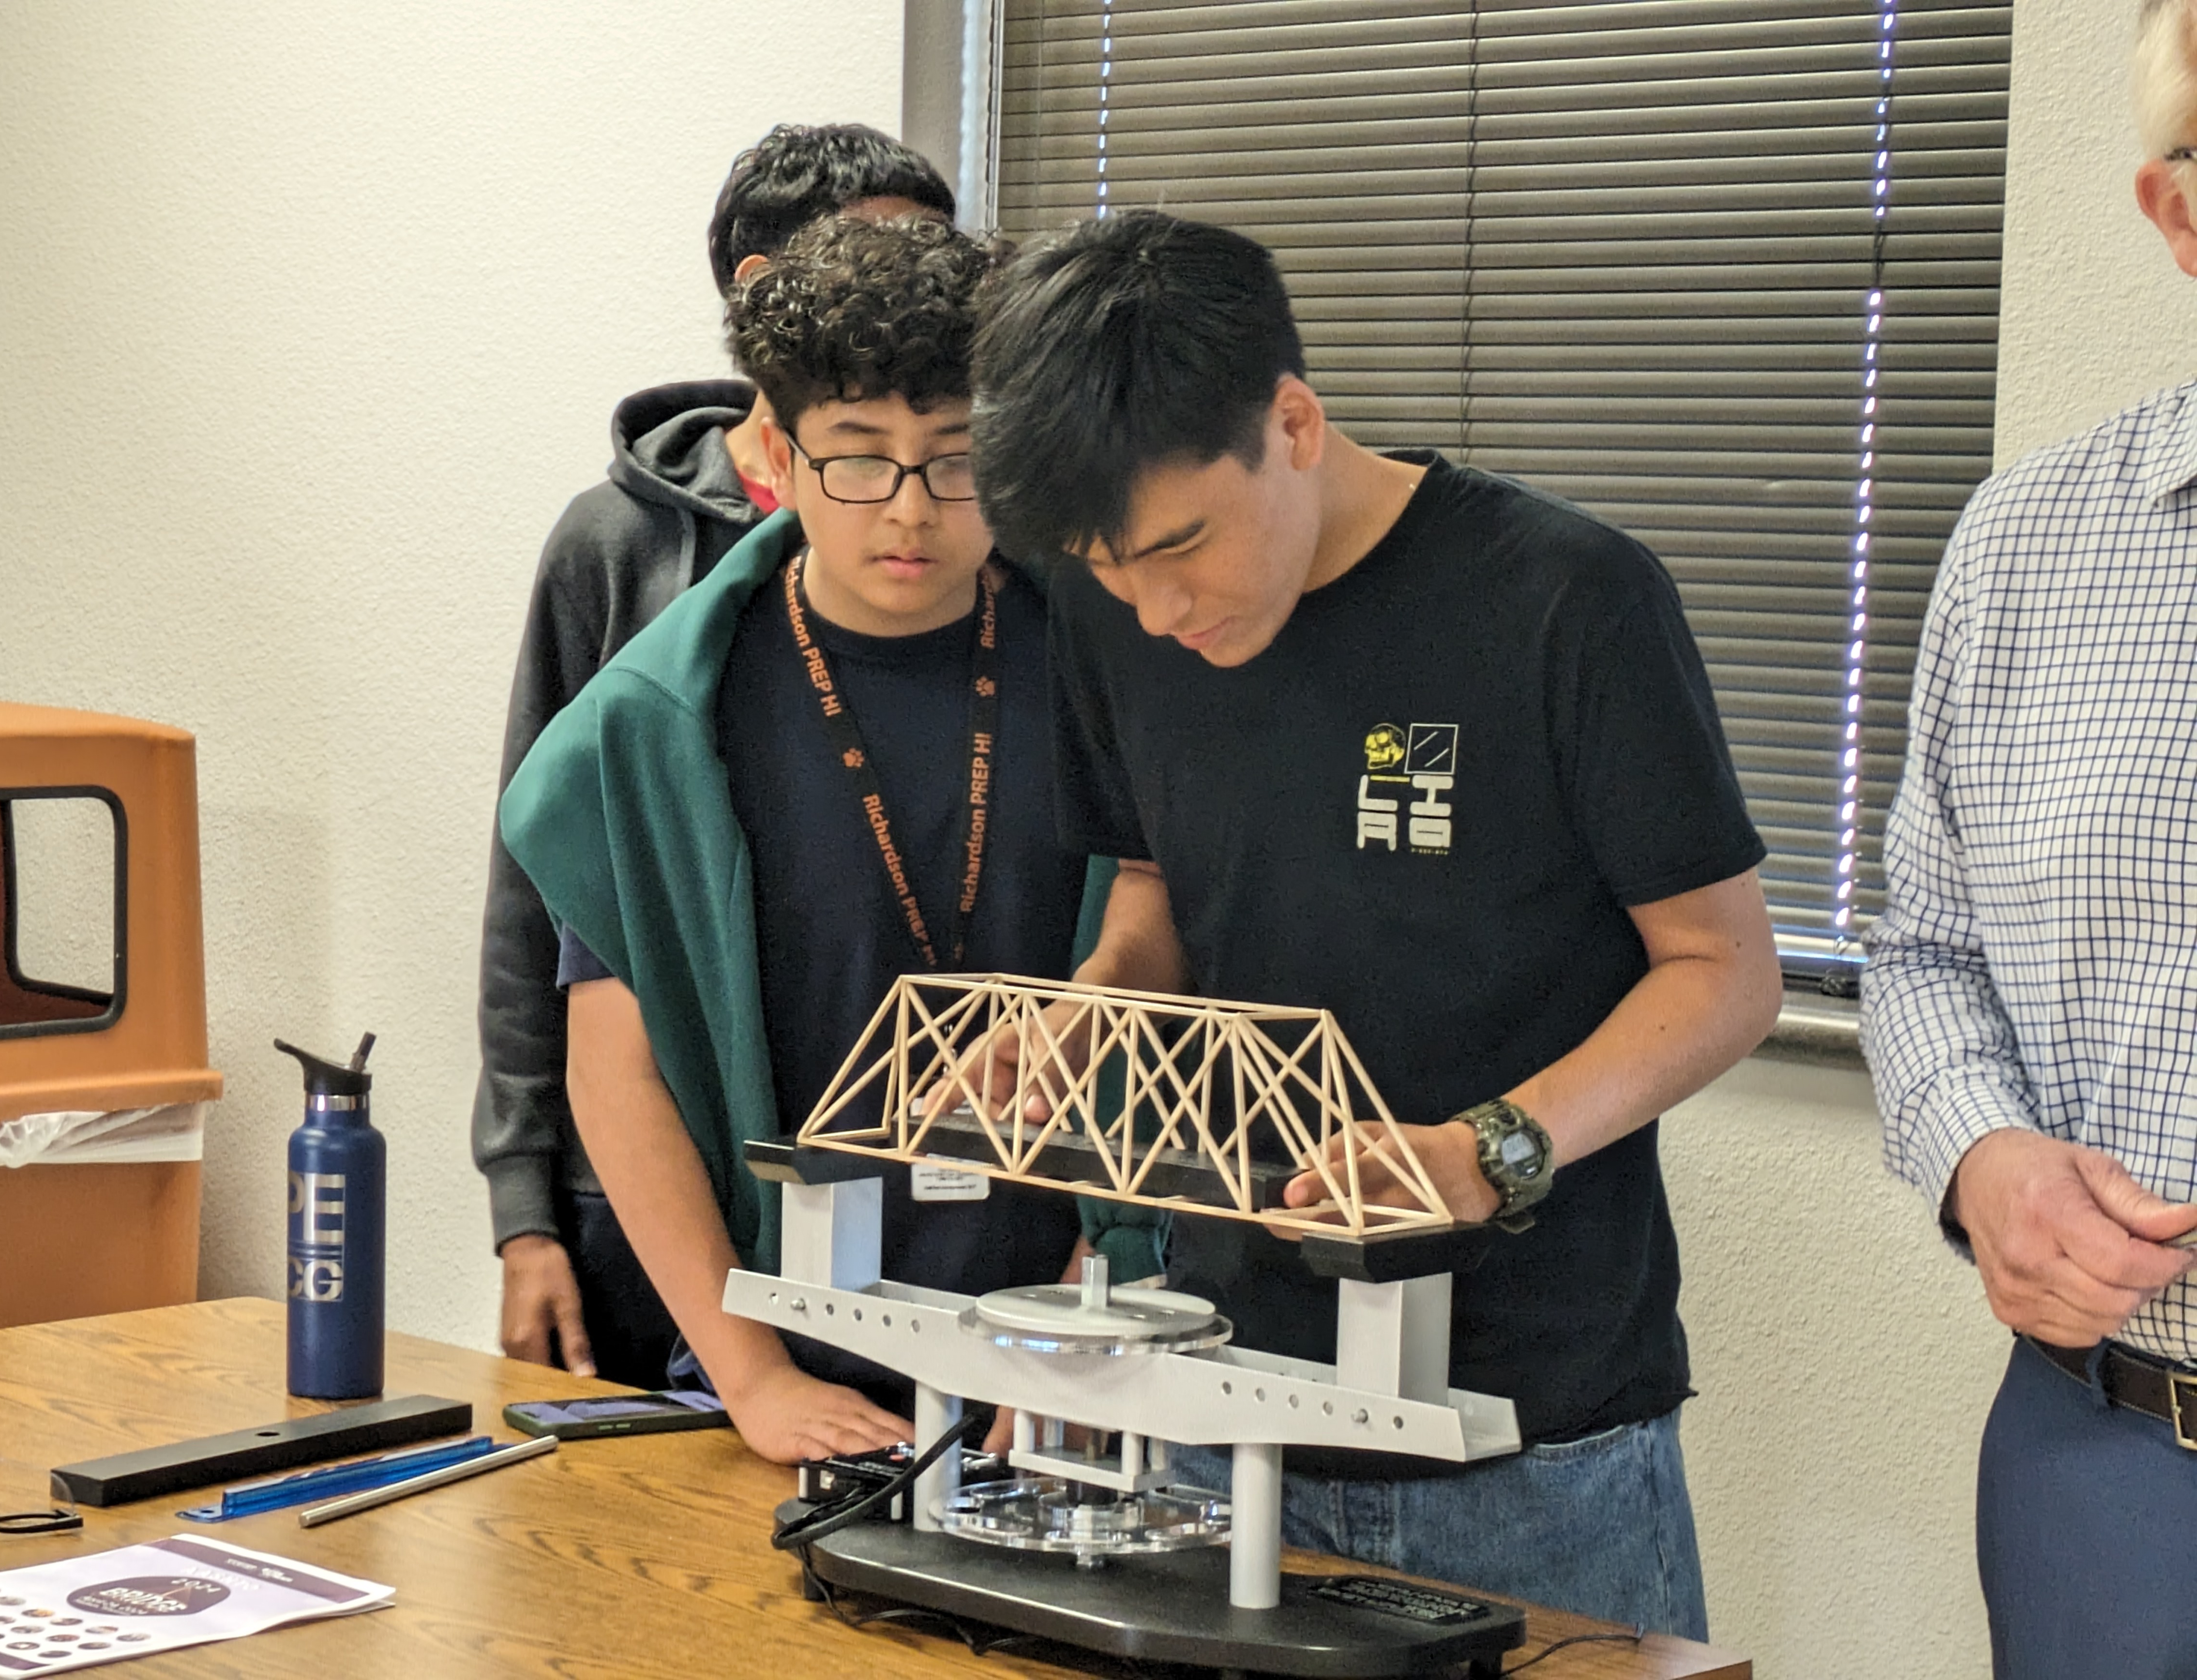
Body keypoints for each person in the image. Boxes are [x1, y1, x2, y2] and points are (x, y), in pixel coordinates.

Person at [961, 210, 1780, 1636]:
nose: (1156, 613)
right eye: (1109, 572)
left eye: (1181, 549)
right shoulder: (1113, 616)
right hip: (1219, 1390)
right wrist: (1090, 999)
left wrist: (1489, 1151)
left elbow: (1723, 973)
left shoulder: (1568, 601)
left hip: (1530, 1431)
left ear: (1292, 421)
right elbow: (1160, 886)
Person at [498, 214, 1093, 1463]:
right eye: (860, 462)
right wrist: (755, 1379)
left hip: (1070, 1379)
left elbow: (1175, 1013)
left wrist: (1089, 1341)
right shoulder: (665, 727)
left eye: (957, 459)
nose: (911, 512)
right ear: (773, 449)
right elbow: (615, 1076)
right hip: (776, 1373)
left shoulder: (1109, 672)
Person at [472, 124, 954, 1389]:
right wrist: (523, 1206)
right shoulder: (620, 548)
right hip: (630, 1161)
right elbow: (543, 881)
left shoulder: (969, 566)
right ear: (762, 298)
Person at [1861, 6, 2197, 1673]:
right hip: (2105, 1454)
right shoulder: (2029, 542)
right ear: (2179, 215)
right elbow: (1924, 947)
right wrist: (1985, 1158)